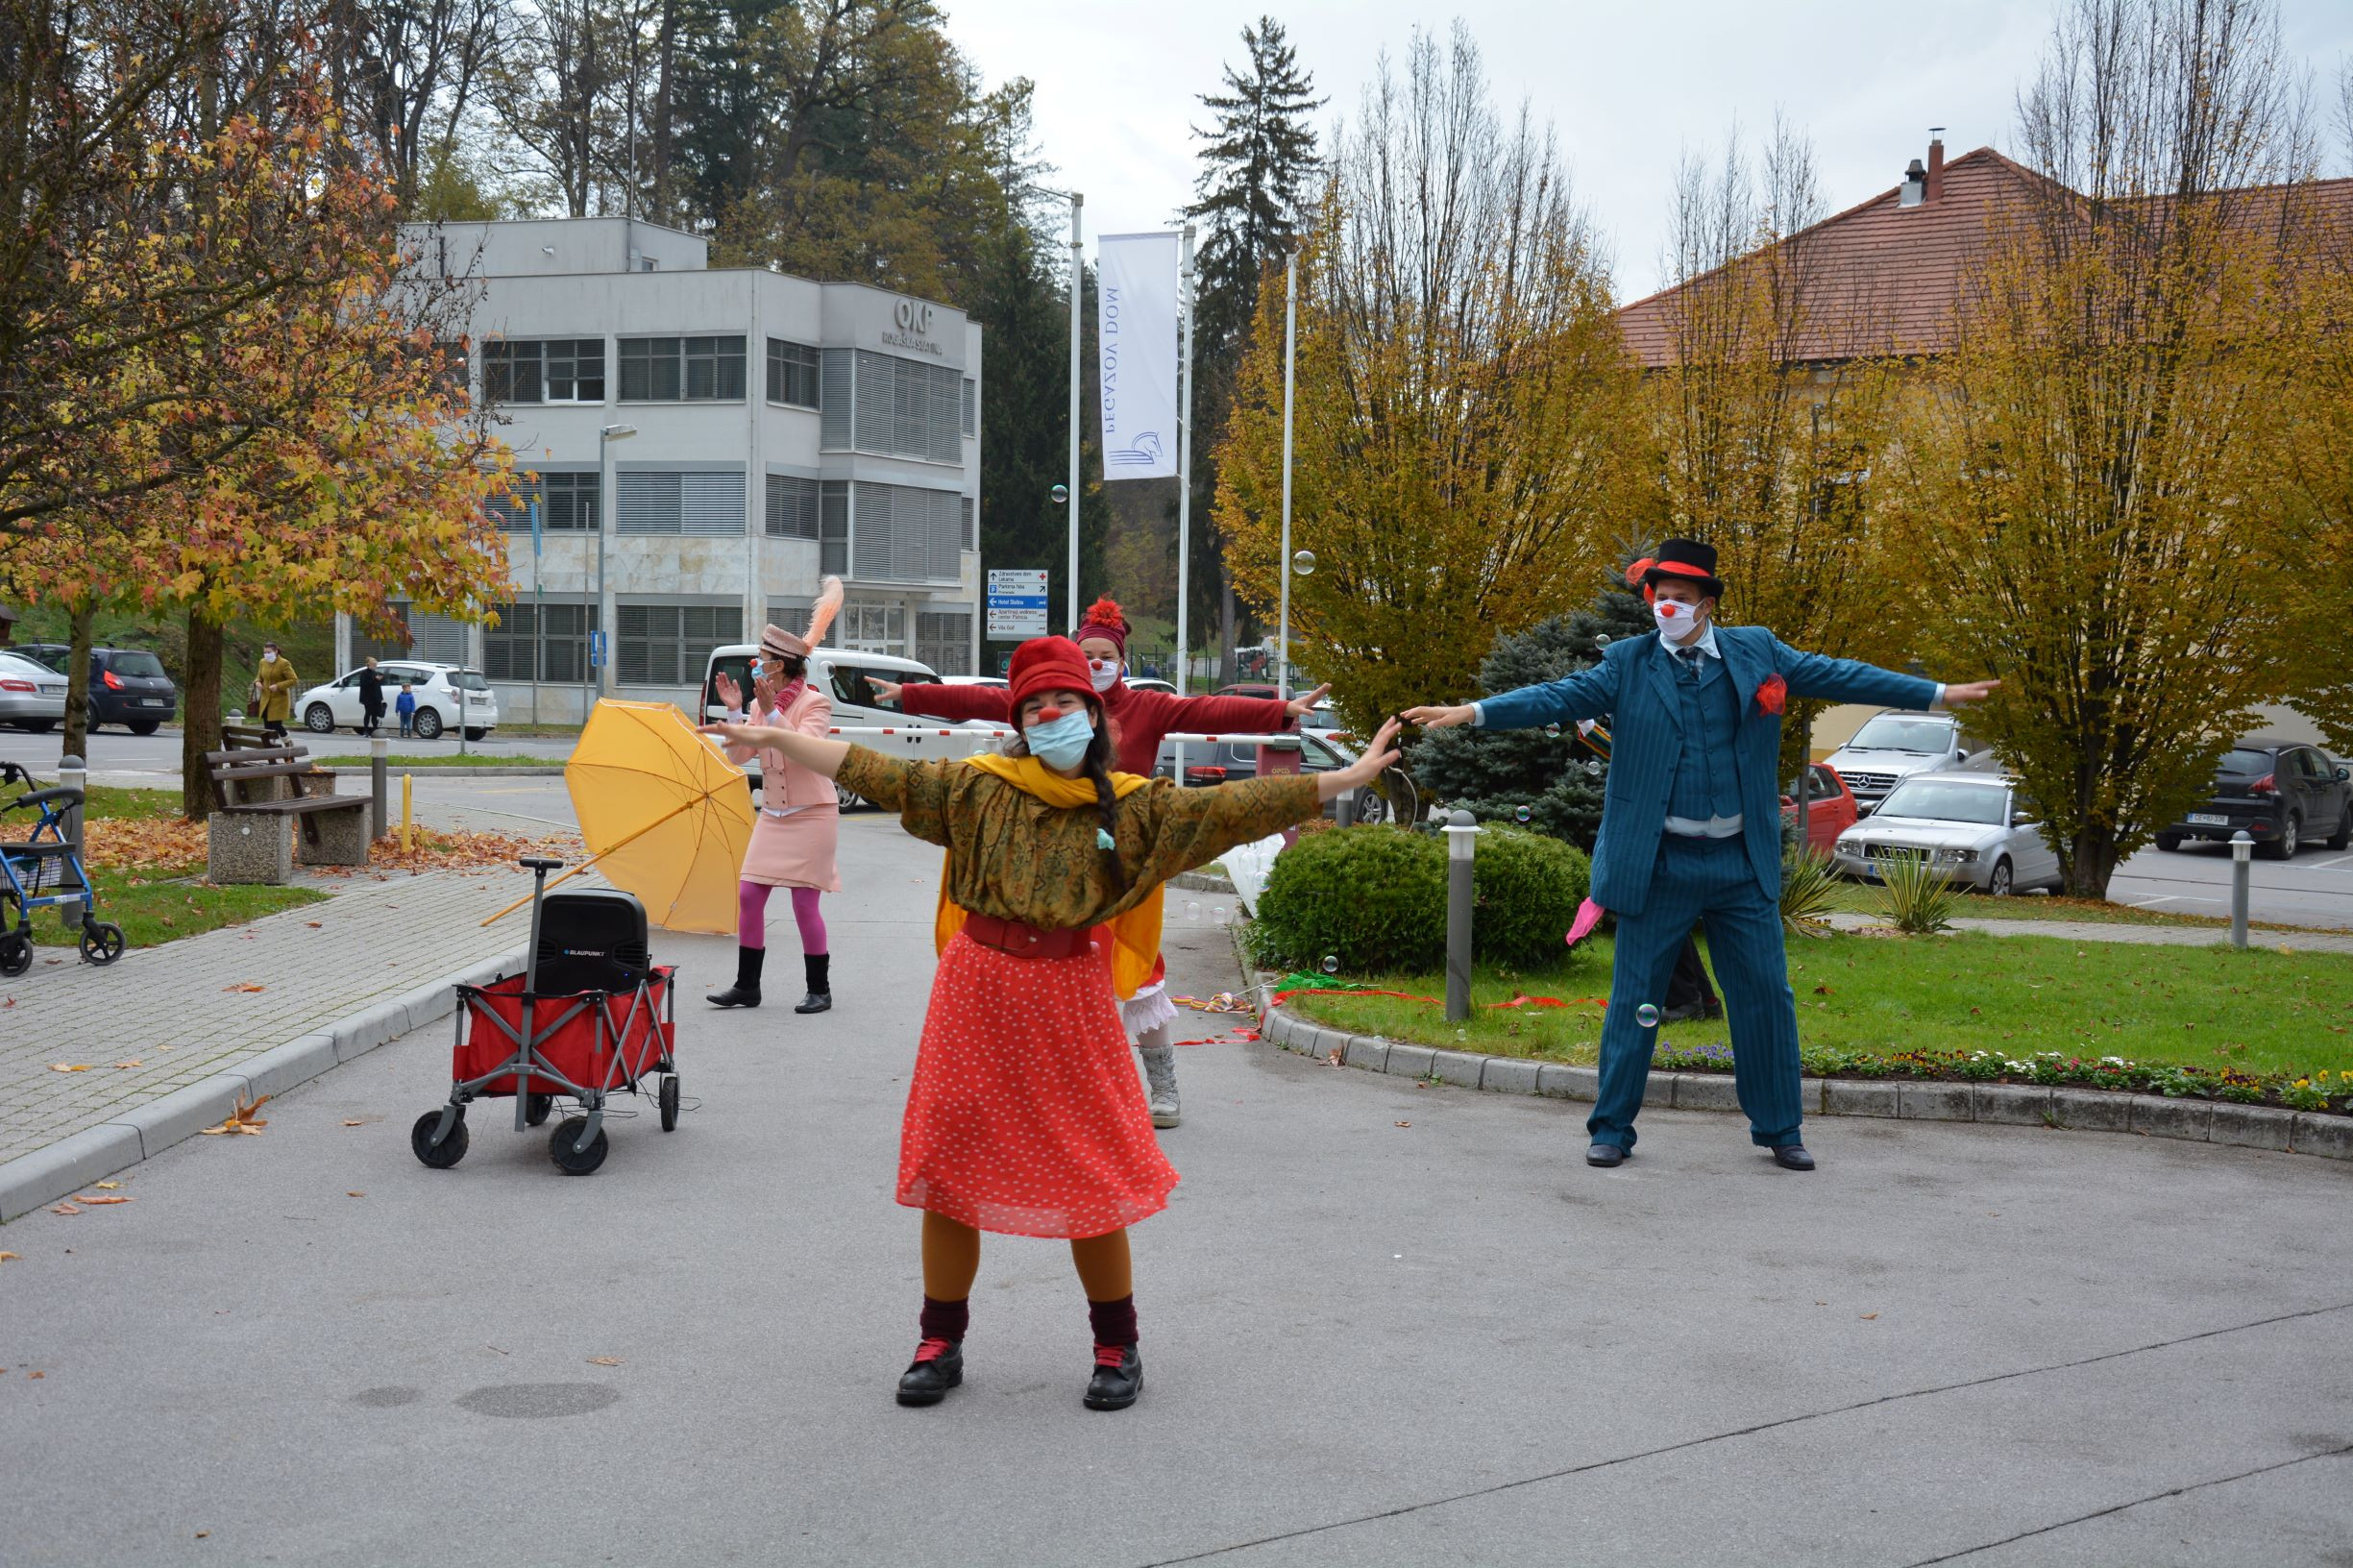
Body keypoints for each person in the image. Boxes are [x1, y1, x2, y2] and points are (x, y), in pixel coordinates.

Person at [703, 635, 1401, 1412]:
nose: (1049, 714)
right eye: (1034, 706)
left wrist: (1345, 777)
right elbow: (875, 772)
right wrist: (768, 735)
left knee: (1088, 1171)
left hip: (1069, 994)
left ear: (1093, 714)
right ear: (1020, 722)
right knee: (950, 1167)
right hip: (976, 991)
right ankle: (939, 1342)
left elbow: (1234, 805)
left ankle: (1117, 1346)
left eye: (1063, 701)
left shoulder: (1137, 807)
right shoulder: (977, 788)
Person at [1404, 538, 1998, 1172]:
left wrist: (1935, 693)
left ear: (1707, 605)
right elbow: (1558, 695)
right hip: (1658, 862)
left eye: (1680, 600)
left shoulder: (1757, 651)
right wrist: (1473, 711)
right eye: (1658, 599)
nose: (1666, 609)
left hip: (1739, 864)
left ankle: (1779, 1129)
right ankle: (1610, 1127)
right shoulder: (1628, 663)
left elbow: (1840, 673)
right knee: (1636, 994)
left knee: (1766, 995)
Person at [868, 596, 1329, 1130]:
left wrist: (1280, 710)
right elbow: (984, 698)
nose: (1096, 662)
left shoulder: (1149, 709)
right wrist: (911, 693)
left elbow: (1208, 710)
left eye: (1105, 654)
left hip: (1122, 866)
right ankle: (1043, 1093)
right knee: (1050, 978)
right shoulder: (1054, 704)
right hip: (1054, 867)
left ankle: (1164, 1088)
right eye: (1086, 653)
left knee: (1142, 977)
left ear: (1123, 661)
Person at [707, 578, 844, 1015]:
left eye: (762, 661)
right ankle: (748, 986)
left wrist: (772, 712)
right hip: (774, 815)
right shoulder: (757, 704)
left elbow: (805, 749)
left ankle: (818, 988)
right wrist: (733, 710)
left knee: (805, 903)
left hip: (813, 814)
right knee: (748, 894)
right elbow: (739, 755)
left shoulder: (816, 704)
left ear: (781, 666)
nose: (757, 667)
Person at [256, 642, 297, 741]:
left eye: (269, 652)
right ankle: (271, 749)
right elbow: (259, 676)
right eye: (265, 653)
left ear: (276, 651)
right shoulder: (262, 662)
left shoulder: (284, 663)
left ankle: (288, 742)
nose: (266, 655)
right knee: (268, 726)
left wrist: (278, 686)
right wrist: (257, 682)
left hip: (279, 700)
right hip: (266, 700)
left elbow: (293, 680)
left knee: (277, 725)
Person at [356, 657, 386, 739]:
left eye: (376, 665)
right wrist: (375, 679)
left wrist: (381, 697)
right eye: (374, 664)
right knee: (368, 713)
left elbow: (378, 686)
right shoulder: (364, 673)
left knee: (375, 714)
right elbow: (365, 684)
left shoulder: (375, 673)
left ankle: (375, 729)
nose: (375, 666)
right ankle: (366, 730)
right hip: (368, 697)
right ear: (368, 664)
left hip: (376, 697)